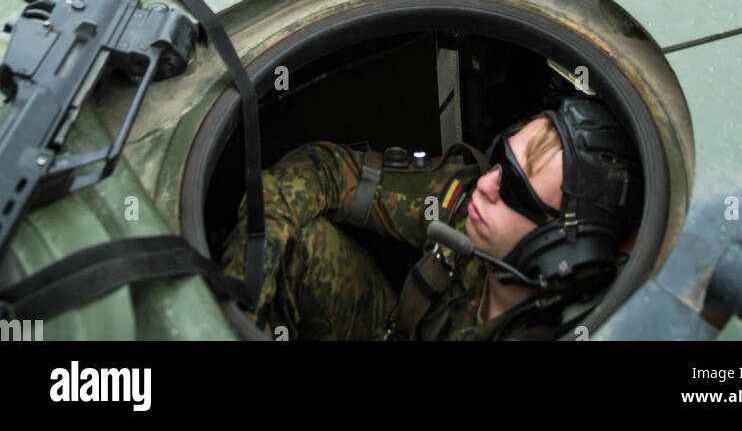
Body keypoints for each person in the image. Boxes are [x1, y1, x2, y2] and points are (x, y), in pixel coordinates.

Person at [221, 93, 642, 341]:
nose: (486, 185)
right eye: (499, 161)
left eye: (514, 188)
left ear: (556, 246)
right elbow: (324, 171)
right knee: (301, 238)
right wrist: (242, 304)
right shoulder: (463, 206)